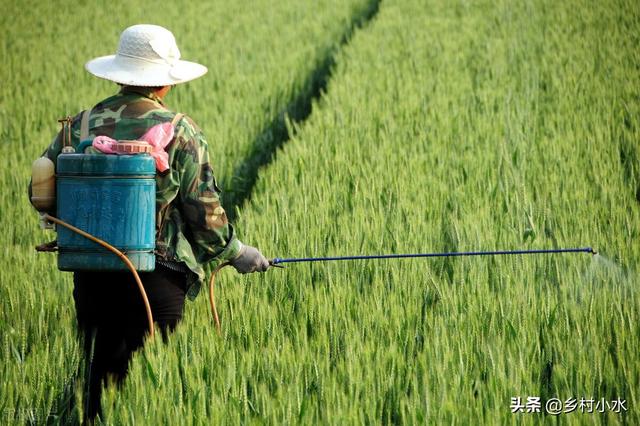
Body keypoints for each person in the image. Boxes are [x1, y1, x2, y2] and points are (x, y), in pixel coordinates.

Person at [31, 24, 270, 420]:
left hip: (91, 275)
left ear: (120, 75)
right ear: (164, 84)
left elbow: (40, 191)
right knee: (153, 392)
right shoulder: (179, 130)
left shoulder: (80, 124)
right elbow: (202, 208)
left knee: (99, 384)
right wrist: (237, 252)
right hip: (157, 277)